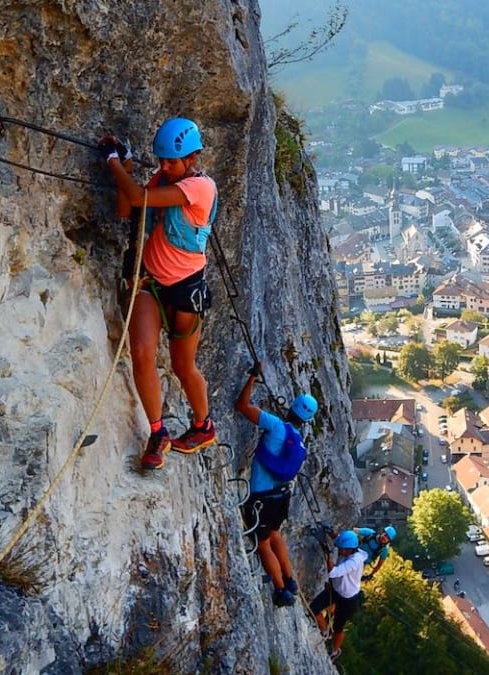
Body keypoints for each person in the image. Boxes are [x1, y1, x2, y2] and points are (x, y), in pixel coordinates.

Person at [101, 118, 218, 470]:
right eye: (162, 161)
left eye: (172, 162)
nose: (165, 167)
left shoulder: (201, 188)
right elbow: (128, 208)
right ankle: (157, 433)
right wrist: (129, 169)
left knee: (183, 365)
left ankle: (203, 425)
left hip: (185, 287)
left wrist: (112, 163)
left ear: (193, 158)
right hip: (150, 280)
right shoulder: (161, 180)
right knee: (140, 354)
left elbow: (138, 197)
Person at [234, 363, 318, 607]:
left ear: (292, 407)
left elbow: (243, 406)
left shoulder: (274, 425)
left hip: (262, 499)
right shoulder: (299, 441)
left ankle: (282, 590)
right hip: (282, 498)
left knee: (262, 544)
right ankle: (290, 579)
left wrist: (251, 377)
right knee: (274, 534)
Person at [312, 530, 368, 663]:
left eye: (342, 549)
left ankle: (335, 651)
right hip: (336, 590)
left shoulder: (354, 562)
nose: (340, 551)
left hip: (348, 599)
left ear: (350, 549)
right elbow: (337, 538)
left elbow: (333, 572)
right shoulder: (348, 547)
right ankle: (325, 631)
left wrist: (328, 556)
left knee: (338, 627)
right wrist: (328, 531)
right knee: (313, 608)